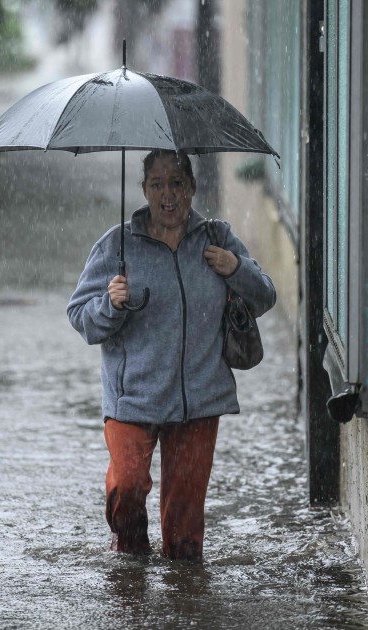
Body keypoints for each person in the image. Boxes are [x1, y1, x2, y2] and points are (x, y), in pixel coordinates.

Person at [67, 149, 276, 562]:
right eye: (158, 185)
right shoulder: (117, 246)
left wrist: (235, 267)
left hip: (199, 400)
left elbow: (265, 295)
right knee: (127, 488)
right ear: (144, 189)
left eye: (177, 184)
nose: (168, 195)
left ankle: (184, 602)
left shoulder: (216, 238)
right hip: (133, 399)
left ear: (193, 188)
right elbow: (80, 316)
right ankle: (130, 562)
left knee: (184, 539)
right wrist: (110, 305)